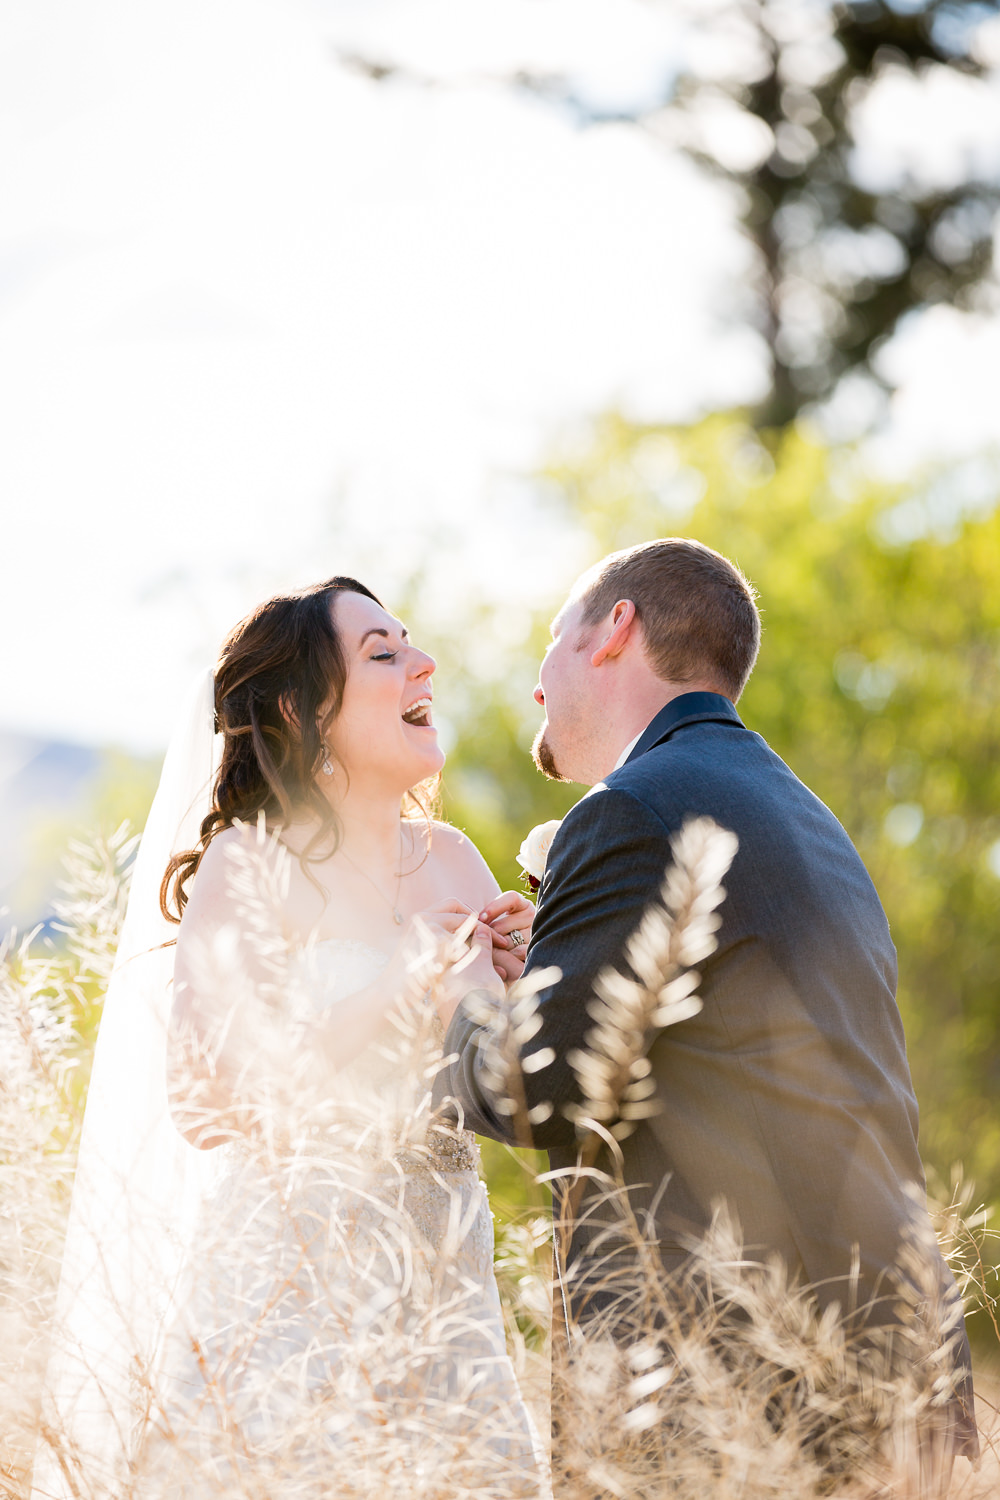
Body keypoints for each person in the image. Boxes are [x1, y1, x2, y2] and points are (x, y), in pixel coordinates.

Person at [435, 538, 978, 1482]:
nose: (536, 684)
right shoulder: (795, 809)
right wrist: (554, 968)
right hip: (880, 1363)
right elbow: (708, 1056)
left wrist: (464, 998)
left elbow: (535, 1092)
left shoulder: (633, 811)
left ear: (615, 630)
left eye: (554, 640)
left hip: (724, 1389)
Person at [33, 576, 543, 1500]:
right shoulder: (249, 867)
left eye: (411, 645)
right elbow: (205, 1103)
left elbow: (499, 1089)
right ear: (301, 712)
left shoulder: (457, 862)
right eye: (382, 654)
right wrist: (394, 985)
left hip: (447, 1303)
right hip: (287, 1306)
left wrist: (511, 974)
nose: (423, 664)